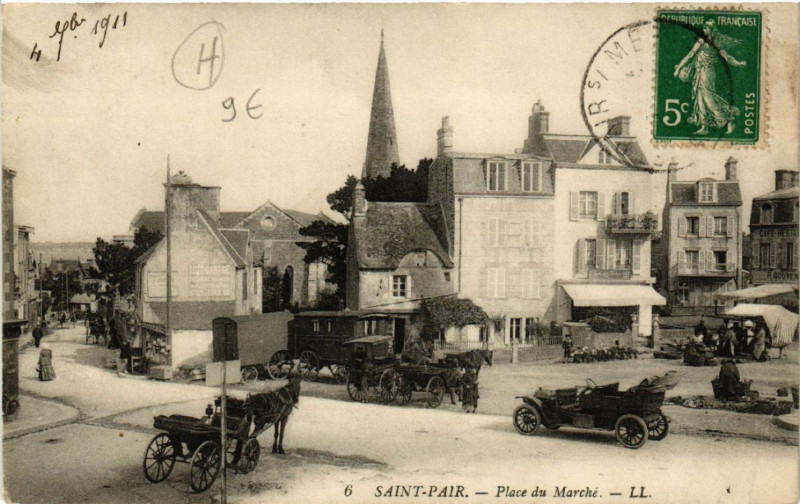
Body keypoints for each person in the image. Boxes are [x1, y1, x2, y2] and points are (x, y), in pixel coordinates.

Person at [673, 19, 747, 135]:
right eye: (703, 28)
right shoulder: (701, 40)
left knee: (708, 98)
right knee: (700, 99)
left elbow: (727, 57)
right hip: (699, 71)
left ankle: (729, 121)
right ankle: (704, 127)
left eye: (706, 28)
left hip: (707, 72)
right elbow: (690, 55)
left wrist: (738, 63)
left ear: (711, 29)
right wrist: (678, 69)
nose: (703, 30)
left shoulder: (716, 42)